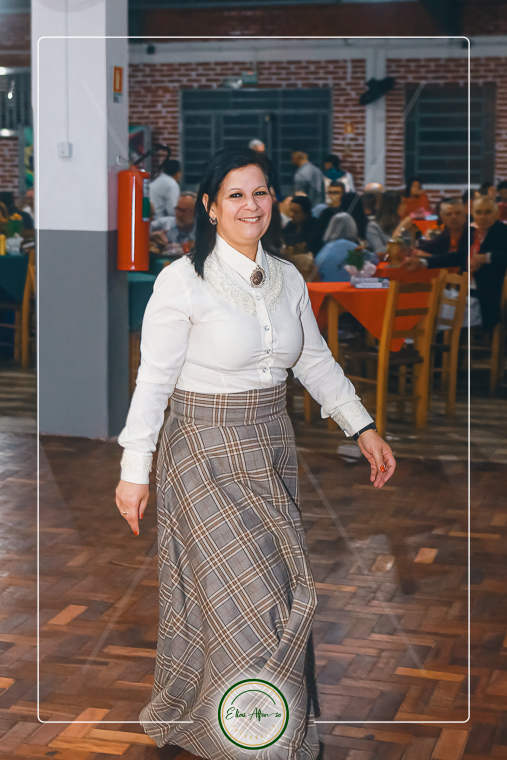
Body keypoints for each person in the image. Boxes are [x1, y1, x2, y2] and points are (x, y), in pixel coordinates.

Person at [115, 147, 395, 759]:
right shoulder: (181, 280)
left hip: (270, 447)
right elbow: (153, 381)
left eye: (261, 192)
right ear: (211, 207)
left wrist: (362, 426)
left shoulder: (288, 276)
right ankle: (258, 741)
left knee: (273, 592)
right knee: (255, 601)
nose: (251, 204)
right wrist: (135, 471)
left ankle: (235, 727)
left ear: (274, 201)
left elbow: (313, 360)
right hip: (202, 452)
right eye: (236, 194)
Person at [407, 196, 507, 331]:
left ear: (496, 214)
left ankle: (423, 340)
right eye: (479, 212)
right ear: (472, 214)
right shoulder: (473, 233)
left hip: (483, 299)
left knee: (435, 306)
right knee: (424, 297)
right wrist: (423, 262)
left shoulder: (502, 232)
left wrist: (487, 257)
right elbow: (457, 257)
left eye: (488, 212)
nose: (483, 217)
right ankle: (416, 339)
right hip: (464, 292)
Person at [311, 181, 345, 253]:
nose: (332, 195)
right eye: (330, 192)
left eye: (336, 193)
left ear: (343, 194)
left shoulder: (345, 210)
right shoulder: (320, 209)